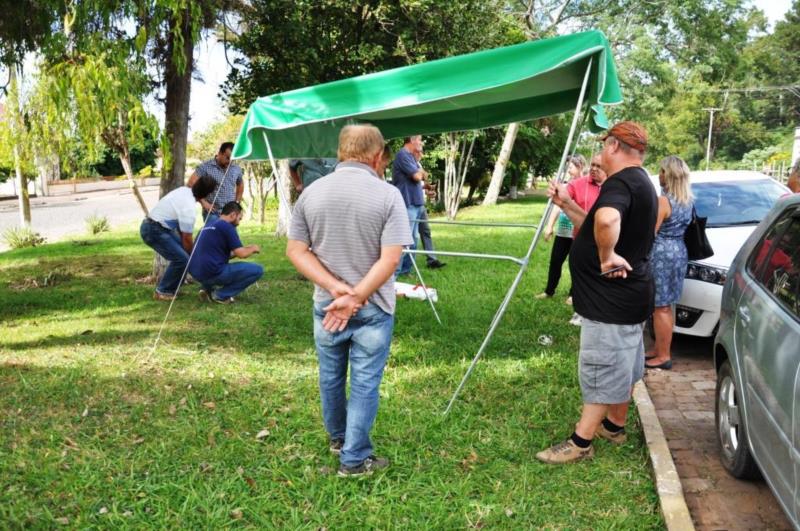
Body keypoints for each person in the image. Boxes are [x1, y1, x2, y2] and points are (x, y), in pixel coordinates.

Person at [286, 124, 412, 477]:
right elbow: (391, 260)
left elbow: (296, 251)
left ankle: (339, 440)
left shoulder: (311, 193)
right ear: (377, 156)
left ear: (341, 152)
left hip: (327, 305)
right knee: (365, 382)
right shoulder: (388, 196)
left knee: (330, 376)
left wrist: (335, 289)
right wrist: (355, 295)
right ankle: (354, 460)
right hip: (373, 307)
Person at [537, 121, 657, 464]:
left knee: (601, 367)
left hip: (610, 301)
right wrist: (565, 204)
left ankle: (581, 441)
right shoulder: (640, 181)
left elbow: (605, 221)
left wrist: (606, 257)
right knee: (624, 365)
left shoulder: (620, 182)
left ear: (615, 147)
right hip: (630, 297)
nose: (601, 152)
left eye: (605, 145)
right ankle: (614, 425)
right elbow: (592, 223)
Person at [645, 156, 694, 370]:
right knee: (667, 305)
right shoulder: (687, 200)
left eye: (662, 171)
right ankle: (659, 349)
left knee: (661, 307)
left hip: (662, 254)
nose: (660, 175)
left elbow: (650, 233)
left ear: (670, 175)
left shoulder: (663, 201)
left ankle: (663, 355)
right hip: (679, 252)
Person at [140, 176, 216, 301]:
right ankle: (162, 291)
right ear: (206, 194)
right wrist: (194, 256)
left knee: (184, 257)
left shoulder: (184, 190)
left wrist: (189, 253)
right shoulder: (189, 208)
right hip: (153, 230)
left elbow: (182, 232)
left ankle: (171, 290)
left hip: (159, 228)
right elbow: (186, 238)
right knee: (182, 259)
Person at [189, 201, 264, 304]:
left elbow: (219, 254)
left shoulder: (206, 226)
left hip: (195, 272)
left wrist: (245, 248)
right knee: (257, 270)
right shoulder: (227, 227)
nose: (239, 223)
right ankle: (221, 295)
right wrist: (253, 248)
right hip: (212, 272)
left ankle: (206, 288)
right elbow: (241, 254)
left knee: (212, 265)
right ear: (233, 215)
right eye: (239, 218)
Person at [537, 155, 586, 303]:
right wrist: (550, 226)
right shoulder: (565, 185)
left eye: (570, 167)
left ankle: (573, 294)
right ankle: (549, 291)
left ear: (580, 167)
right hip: (563, 231)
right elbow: (557, 208)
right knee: (555, 261)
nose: (568, 169)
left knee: (575, 264)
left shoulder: (584, 186)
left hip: (577, 232)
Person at [391, 135, 438, 275]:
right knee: (405, 240)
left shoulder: (411, 157)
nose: (421, 143)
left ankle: (406, 271)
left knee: (414, 239)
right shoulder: (402, 155)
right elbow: (418, 177)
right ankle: (395, 273)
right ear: (412, 140)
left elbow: (420, 178)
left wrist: (420, 169)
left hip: (417, 203)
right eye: (419, 139)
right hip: (408, 203)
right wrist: (421, 171)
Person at [187, 142, 244, 224]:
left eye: (232, 160)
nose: (230, 162)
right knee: (214, 235)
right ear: (220, 153)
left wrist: (237, 203)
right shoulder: (205, 166)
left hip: (230, 213)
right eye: (227, 158)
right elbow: (191, 183)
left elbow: (240, 184)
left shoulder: (236, 168)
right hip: (212, 212)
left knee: (229, 236)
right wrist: (203, 202)